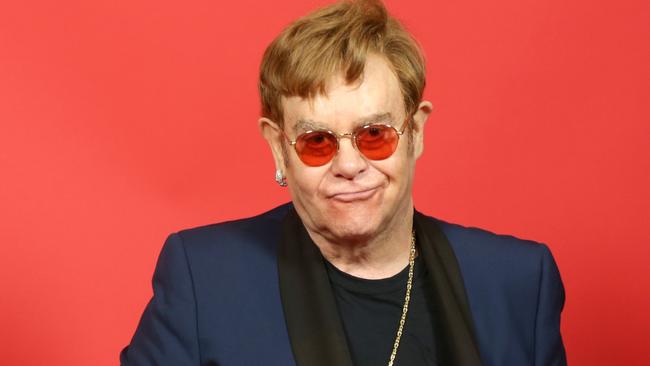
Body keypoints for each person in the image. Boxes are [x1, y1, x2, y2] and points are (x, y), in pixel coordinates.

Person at [120, 0, 567, 365]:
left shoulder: (520, 281)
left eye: (375, 135)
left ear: (416, 132)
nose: (349, 165)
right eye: (317, 141)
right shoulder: (204, 279)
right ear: (279, 147)